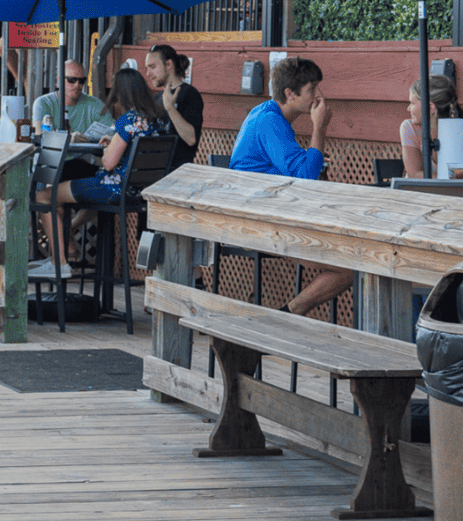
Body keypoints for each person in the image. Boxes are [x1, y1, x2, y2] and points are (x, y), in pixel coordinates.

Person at [230, 56, 353, 319]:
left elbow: (294, 168)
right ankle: (286, 316)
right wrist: (319, 127)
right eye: (312, 89)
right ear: (290, 93)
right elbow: (305, 177)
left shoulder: (266, 113)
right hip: (258, 222)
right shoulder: (270, 122)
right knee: (349, 266)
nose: (319, 95)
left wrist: (313, 156)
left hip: (270, 213)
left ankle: (286, 315)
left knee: (351, 259)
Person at [33, 68, 167, 277]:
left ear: (121, 93)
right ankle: (64, 254)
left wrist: (107, 149)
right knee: (57, 194)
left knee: (43, 197)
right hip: (140, 192)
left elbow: (108, 163)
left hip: (113, 188)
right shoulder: (157, 121)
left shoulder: (127, 120)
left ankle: (59, 264)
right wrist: (113, 142)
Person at [401, 74, 463, 179]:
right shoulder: (410, 128)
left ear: (430, 107)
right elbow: (415, 174)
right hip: (419, 193)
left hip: (455, 194)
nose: (408, 108)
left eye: (412, 103)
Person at [144, 43, 203, 169]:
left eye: (152, 67)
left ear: (169, 64)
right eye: (146, 68)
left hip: (175, 173)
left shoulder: (189, 94)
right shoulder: (158, 98)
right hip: (150, 171)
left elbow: (191, 138)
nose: (148, 73)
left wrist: (170, 108)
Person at [32, 61, 110, 140]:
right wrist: (67, 139)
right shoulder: (43, 103)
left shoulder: (95, 104)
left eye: (81, 80)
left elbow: (112, 131)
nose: (77, 85)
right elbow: (38, 134)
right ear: (60, 79)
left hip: (88, 152)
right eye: (72, 80)